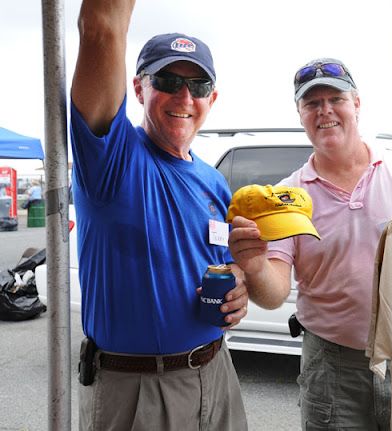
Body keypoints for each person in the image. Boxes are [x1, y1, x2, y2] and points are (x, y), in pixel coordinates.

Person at [228, 58, 392, 430]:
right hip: (332, 369)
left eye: (336, 98)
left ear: (357, 104)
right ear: (300, 114)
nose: (325, 110)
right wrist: (255, 267)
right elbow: (273, 294)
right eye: (312, 103)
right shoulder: (287, 197)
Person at [70, 1, 249, 429]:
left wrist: (238, 281)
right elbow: (100, 27)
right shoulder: (111, 158)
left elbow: (225, 261)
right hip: (139, 390)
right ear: (138, 89)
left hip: (217, 372)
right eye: (168, 81)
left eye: (198, 85)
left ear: (212, 98)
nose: (185, 97)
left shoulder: (214, 181)